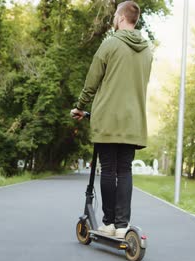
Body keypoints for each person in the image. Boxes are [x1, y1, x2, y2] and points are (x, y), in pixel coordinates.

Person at [71, 1, 152, 239]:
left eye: (115, 16)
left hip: (108, 119)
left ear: (120, 17)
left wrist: (79, 107)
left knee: (108, 169)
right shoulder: (147, 50)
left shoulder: (110, 44)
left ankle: (108, 223)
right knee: (125, 170)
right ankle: (122, 225)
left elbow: (92, 81)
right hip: (133, 120)